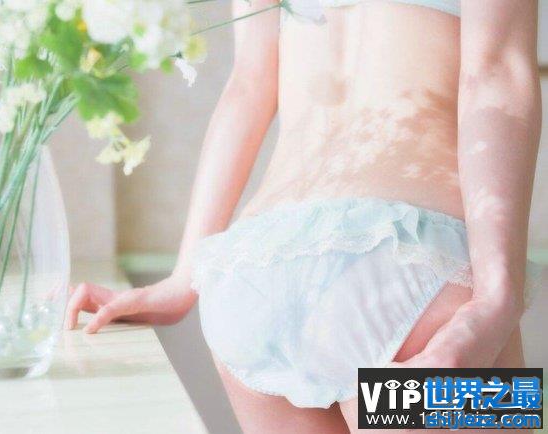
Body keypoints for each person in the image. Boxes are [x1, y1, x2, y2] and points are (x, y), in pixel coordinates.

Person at [65, 0, 542, 432]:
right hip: (413, 267)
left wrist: (185, 277)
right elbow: (496, 70)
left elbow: (249, 85)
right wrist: (495, 299)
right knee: (507, 404)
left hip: (254, 274)